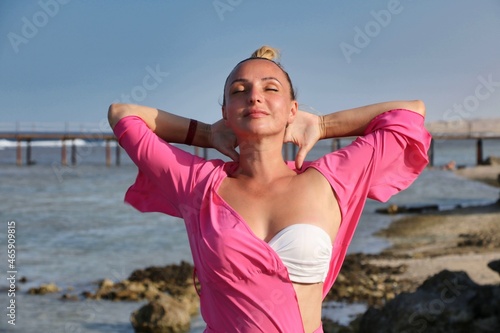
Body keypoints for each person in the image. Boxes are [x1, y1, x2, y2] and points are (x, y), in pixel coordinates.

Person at [108, 45, 431, 333]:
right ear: (225, 113)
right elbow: (124, 114)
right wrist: (206, 134)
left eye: (270, 88)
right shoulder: (198, 184)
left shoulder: (330, 180)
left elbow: (409, 112)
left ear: (293, 109)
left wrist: (321, 125)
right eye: (239, 90)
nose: (254, 96)